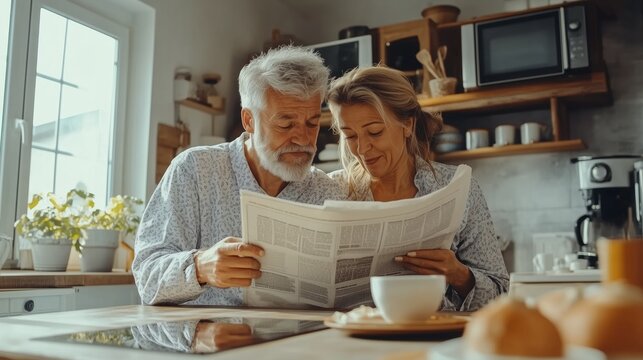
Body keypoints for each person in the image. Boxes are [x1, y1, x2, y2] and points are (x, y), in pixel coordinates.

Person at [133, 46, 343, 306]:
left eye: (312, 123)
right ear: (248, 120)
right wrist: (200, 267)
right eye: (286, 124)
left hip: (298, 342)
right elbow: (146, 274)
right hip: (205, 339)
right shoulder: (195, 170)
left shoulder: (326, 192)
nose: (303, 138)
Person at [326, 66, 509, 311]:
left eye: (375, 132)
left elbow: (500, 294)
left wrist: (460, 275)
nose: (362, 149)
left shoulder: (455, 188)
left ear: (408, 125)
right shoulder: (330, 190)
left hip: (432, 339)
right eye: (349, 136)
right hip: (350, 341)